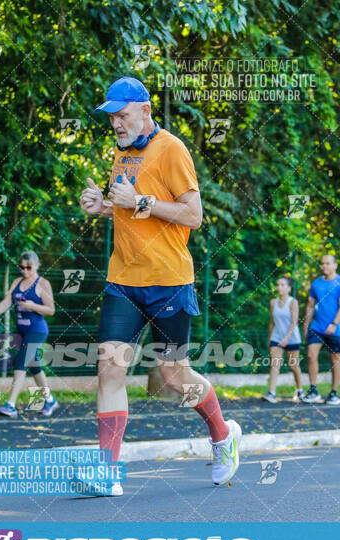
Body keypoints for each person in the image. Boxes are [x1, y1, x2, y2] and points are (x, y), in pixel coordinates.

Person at [79, 76, 242, 496]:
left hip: (169, 280)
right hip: (123, 281)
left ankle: (223, 435)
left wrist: (141, 203)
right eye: (112, 116)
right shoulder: (121, 150)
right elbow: (127, 205)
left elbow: (193, 216)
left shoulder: (171, 149)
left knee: (172, 375)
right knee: (110, 368)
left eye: (122, 114)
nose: (116, 122)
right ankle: (106, 472)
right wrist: (105, 207)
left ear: (145, 110)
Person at [0, 251, 58, 417]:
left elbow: (51, 310)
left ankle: (10, 404)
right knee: (35, 367)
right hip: (22, 332)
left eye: (28, 268)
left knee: (20, 362)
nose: (25, 271)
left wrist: (32, 306)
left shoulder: (42, 284)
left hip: (37, 331)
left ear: (37, 266)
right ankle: (50, 400)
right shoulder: (17, 282)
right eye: (22, 267)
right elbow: (6, 302)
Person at [302, 254, 340, 404]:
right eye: (322, 264)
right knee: (311, 355)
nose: (324, 266)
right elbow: (311, 306)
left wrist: (334, 324)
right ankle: (313, 390)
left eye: (327, 263)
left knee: (335, 359)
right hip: (317, 326)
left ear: (335, 265)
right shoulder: (316, 283)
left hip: (335, 328)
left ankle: (334, 392)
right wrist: (306, 325)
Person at [262, 276, 303, 403]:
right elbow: (271, 323)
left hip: (292, 338)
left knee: (293, 366)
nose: (279, 287)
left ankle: (299, 390)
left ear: (289, 288)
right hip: (276, 337)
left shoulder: (293, 302)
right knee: (274, 365)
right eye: (278, 284)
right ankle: (272, 393)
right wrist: (270, 340)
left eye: (283, 285)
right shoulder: (273, 302)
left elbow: (294, 323)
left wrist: (286, 338)